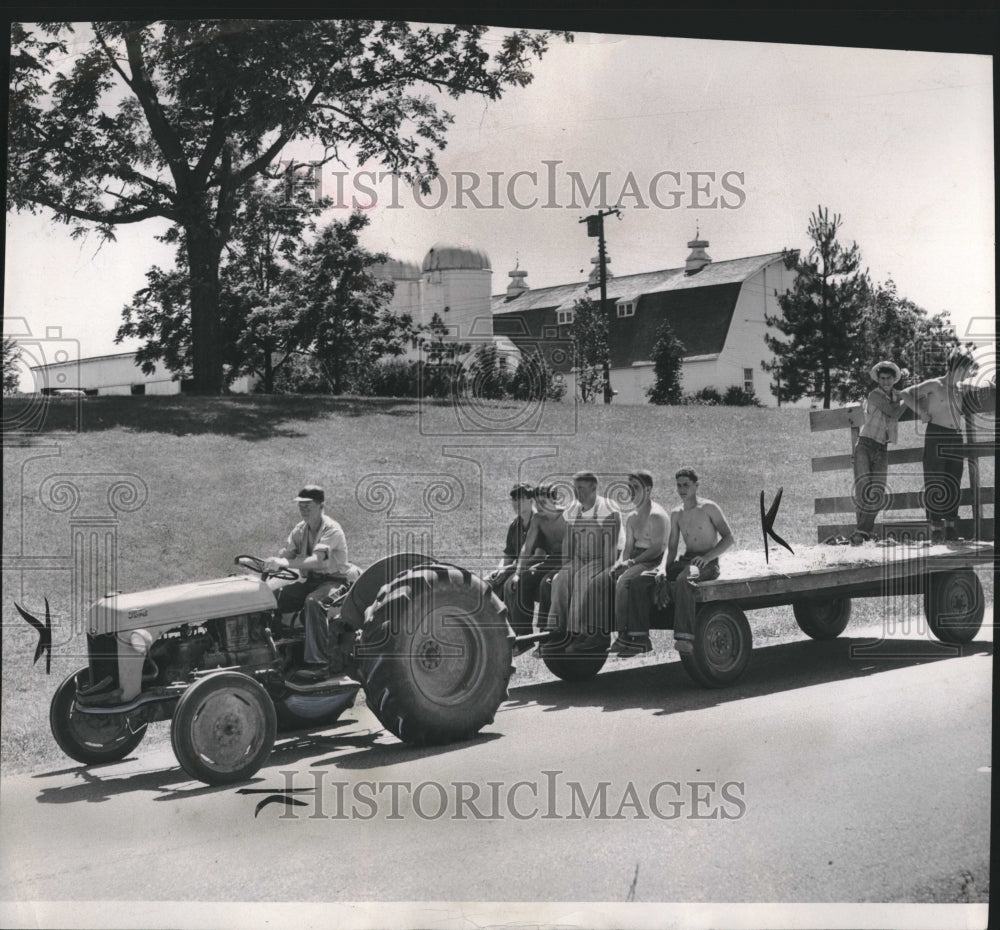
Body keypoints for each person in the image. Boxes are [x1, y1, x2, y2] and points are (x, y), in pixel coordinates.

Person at [265, 485, 361, 683]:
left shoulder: (331, 530)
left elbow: (317, 561)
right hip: (312, 581)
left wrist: (285, 563)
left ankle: (319, 664)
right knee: (273, 598)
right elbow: (287, 554)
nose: (303, 508)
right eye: (301, 504)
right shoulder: (300, 530)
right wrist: (273, 561)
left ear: (321, 506)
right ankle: (278, 656)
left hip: (336, 581)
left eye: (308, 504)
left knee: (313, 603)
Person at [898, 350, 977, 540]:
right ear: (957, 368)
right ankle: (935, 529)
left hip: (956, 437)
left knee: (954, 480)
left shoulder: (960, 388)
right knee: (935, 480)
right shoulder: (935, 384)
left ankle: (950, 528)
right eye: (967, 370)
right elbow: (906, 393)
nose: (968, 374)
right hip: (936, 434)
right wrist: (921, 412)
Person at [654, 468, 734, 655]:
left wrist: (707, 558)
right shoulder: (676, 513)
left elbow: (729, 538)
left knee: (684, 579)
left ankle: (684, 637)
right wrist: (662, 570)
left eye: (686, 485)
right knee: (651, 577)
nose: (682, 489)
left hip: (708, 563)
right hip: (687, 560)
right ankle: (639, 634)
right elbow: (672, 548)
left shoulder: (709, 508)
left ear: (696, 486)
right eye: (679, 485)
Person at [542, 471, 623, 655]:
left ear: (594, 488)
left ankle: (578, 633)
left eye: (581, 488)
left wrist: (606, 571)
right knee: (559, 579)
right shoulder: (573, 509)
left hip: (603, 557)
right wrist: (566, 567)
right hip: (581, 557)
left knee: (581, 580)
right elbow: (568, 542)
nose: (577, 492)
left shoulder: (608, 509)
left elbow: (610, 547)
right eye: (575, 488)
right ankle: (556, 630)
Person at [607, 470, 670, 657]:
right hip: (637, 558)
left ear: (648, 490)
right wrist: (620, 562)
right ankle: (609, 635)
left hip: (654, 560)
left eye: (635, 487)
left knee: (624, 582)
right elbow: (627, 548)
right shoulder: (633, 517)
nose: (630, 492)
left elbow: (657, 549)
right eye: (629, 487)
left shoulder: (657, 515)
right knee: (609, 578)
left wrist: (630, 563)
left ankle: (631, 636)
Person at [504, 484, 566, 642]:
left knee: (547, 583)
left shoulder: (567, 516)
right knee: (522, 580)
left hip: (569, 561)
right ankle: (523, 636)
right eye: (537, 503)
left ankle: (546, 634)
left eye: (543, 503)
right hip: (552, 561)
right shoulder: (538, 519)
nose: (539, 507)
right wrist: (517, 573)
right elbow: (527, 548)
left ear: (555, 500)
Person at [854, 360, 908, 539]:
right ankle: (863, 532)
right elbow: (893, 412)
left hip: (882, 447)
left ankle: (862, 532)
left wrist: (909, 395)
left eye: (888, 378)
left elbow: (914, 395)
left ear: (894, 379)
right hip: (865, 444)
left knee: (878, 492)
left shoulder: (896, 395)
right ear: (878, 379)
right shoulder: (874, 395)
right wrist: (908, 400)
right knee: (863, 490)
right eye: (882, 378)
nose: (885, 381)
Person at [485, 483, 535, 596]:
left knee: (510, 585)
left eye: (521, 499)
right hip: (515, 568)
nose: (516, 503)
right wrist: (499, 570)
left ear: (531, 500)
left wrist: (508, 569)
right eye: (514, 499)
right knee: (485, 584)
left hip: (532, 569)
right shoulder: (515, 525)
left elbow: (536, 558)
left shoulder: (539, 522)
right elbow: (508, 555)